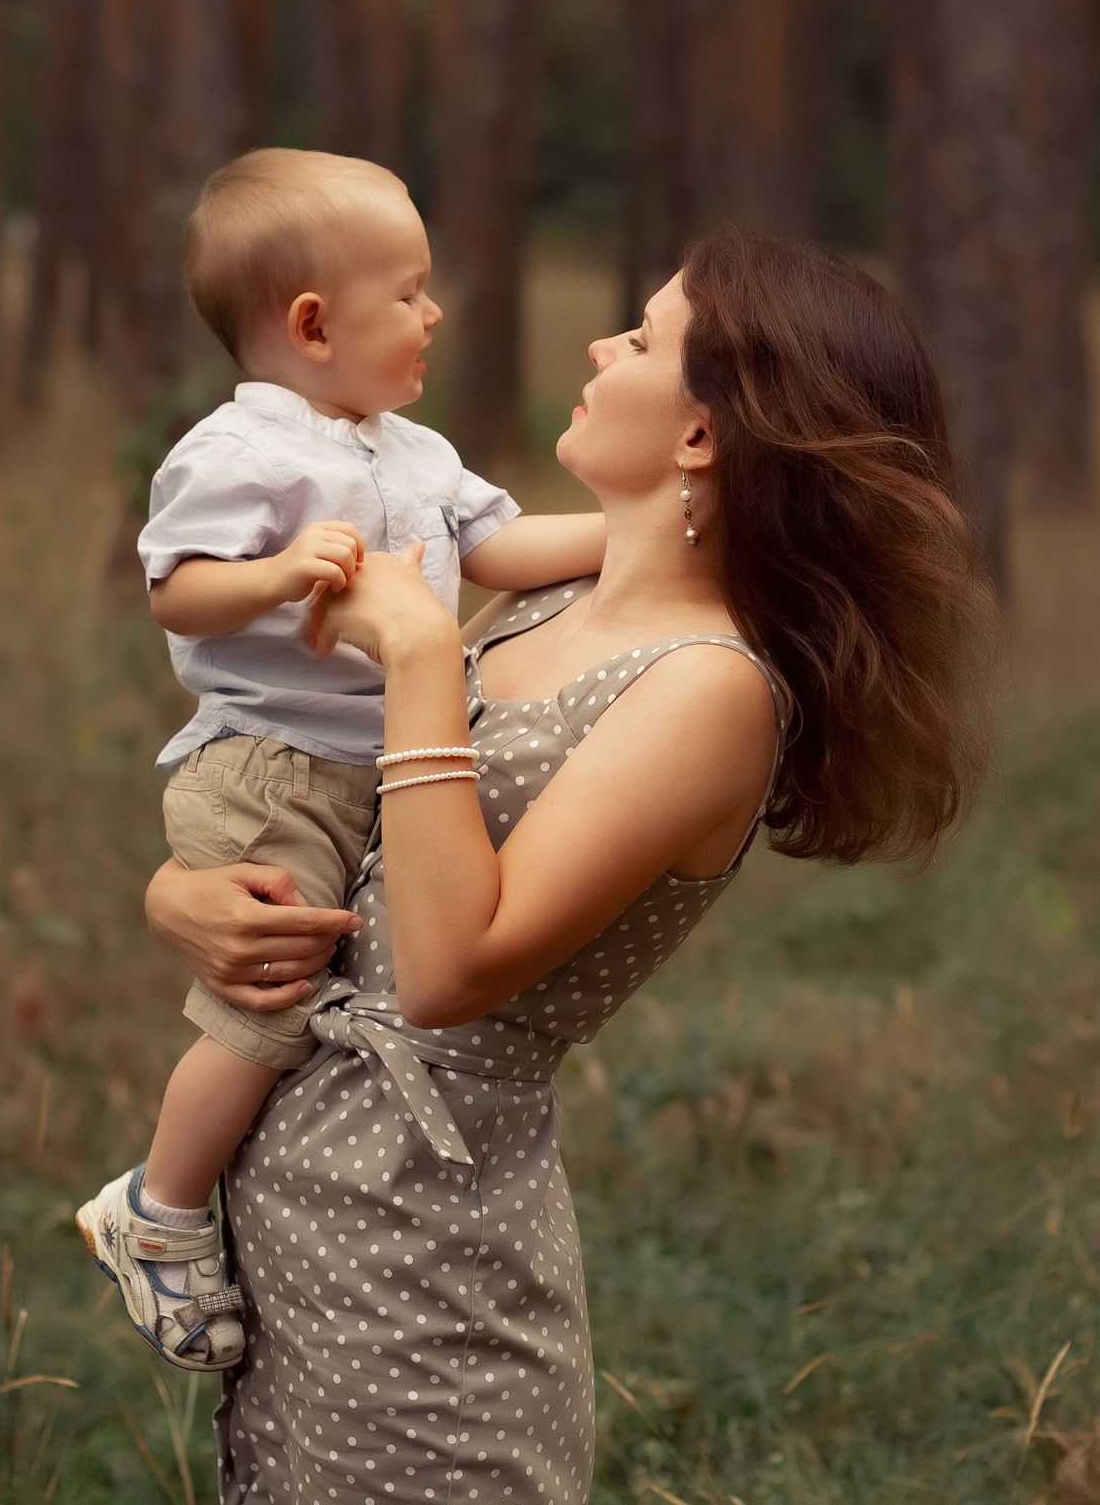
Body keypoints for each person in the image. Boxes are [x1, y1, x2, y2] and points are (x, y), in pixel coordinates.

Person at [143, 230, 998, 1503]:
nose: (601, 347)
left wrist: (424, 653)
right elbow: (369, 843)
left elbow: (445, 972)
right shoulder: (554, 603)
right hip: (298, 1208)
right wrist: (185, 898)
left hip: (424, 1259)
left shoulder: (707, 688)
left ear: (702, 437)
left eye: (644, 339)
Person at [75, 149, 608, 1372]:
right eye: (410, 293)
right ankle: (154, 1212)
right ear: (313, 324)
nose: (435, 314)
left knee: (327, 987)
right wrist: (279, 574)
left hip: (366, 770)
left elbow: (510, 545)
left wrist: (648, 536)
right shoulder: (242, 451)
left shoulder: (412, 451)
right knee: (264, 1009)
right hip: (270, 765)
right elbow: (178, 594)